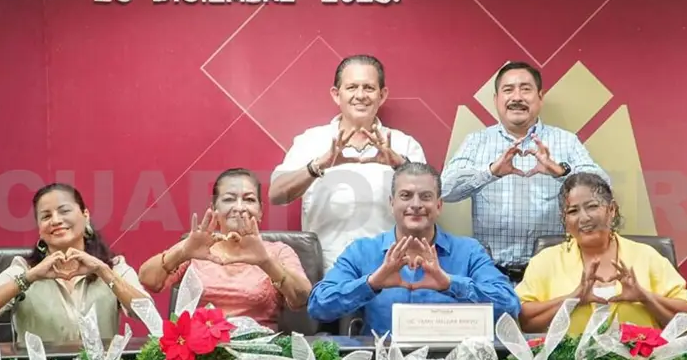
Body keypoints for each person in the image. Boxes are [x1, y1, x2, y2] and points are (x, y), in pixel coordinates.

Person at [441, 61, 609, 283]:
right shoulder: (477, 141)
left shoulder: (566, 141)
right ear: (496, 99)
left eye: (526, 89)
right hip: (490, 275)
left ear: (540, 97)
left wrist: (561, 172)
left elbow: (603, 189)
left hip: (552, 275)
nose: (517, 97)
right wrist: (490, 172)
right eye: (508, 90)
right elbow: (444, 190)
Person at [308, 162, 520, 336]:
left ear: (439, 206)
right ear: (392, 203)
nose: (416, 204)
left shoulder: (469, 251)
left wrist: (450, 284)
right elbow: (318, 306)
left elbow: (510, 305)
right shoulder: (362, 251)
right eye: (406, 195)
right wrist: (372, 283)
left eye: (426, 196)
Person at [270, 55, 426, 272]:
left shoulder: (404, 144)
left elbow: (430, 204)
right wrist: (317, 166)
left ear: (382, 95)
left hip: (391, 271)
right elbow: (276, 195)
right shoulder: (310, 141)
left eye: (369, 88)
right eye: (352, 87)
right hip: (327, 271)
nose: (360, 95)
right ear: (337, 94)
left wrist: (400, 166)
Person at [0, 183, 148, 346]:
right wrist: (29, 278)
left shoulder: (113, 267)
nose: (56, 221)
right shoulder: (24, 269)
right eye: (46, 216)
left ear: (85, 215)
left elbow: (147, 314)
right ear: (39, 228)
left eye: (64, 211)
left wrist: (104, 272)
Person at [516, 173, 687, 335]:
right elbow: (523, 320)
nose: (584, 218)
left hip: (642, 359)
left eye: (592, 206)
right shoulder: (546, 260)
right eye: (573, 211)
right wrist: (573, 299)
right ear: (565, 220)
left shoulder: (647, 256)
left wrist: (644, 297)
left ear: (612, 210)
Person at [137, 168, 312, 329]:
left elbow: (302, 298)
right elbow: (148, 280)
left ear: (260, 211)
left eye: (249, 199)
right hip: (201, 347)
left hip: (259, 347)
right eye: (229, 199)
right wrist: (182, 253)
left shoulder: (278, 251)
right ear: (214, 208)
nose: (239, 207)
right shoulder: (197, 246)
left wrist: (266, 262)